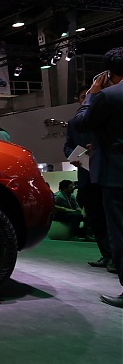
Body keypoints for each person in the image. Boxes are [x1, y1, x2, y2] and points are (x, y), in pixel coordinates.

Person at [72, 47, 123, 308]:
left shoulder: (107, 96)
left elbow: (80, 122)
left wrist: (92, 94)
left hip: (116, 175)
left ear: (108, 73)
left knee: (120, 232)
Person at [65, 85, 111, 268]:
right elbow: (67, 145)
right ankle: (106, 255)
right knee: (95, 219)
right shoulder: (73, 122)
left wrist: (98, 147)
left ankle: (116, 257)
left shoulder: (104, 119)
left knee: (109, 219)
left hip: (105, 174)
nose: (86, 99)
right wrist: (73, 156)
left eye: (89, 96)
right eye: (83, 96)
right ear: (79, 100)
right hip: (85, 176)